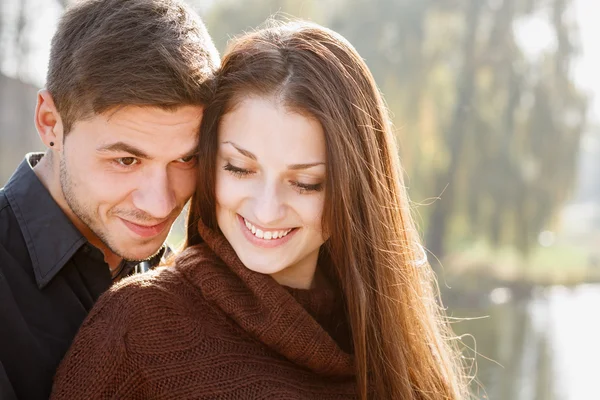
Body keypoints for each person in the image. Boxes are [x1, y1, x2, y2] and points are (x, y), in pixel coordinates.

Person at [51, 21, 467, 400]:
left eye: (306, 183)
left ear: (354, 191)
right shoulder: (138, 328)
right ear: (211, 162)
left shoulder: (391, 337)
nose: (267, 210)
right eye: (240, 168)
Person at [0, 0, 219, 398]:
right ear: (51, 123)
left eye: (186, 158)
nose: (159, 203)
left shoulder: (188, 280)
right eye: (125, 159)